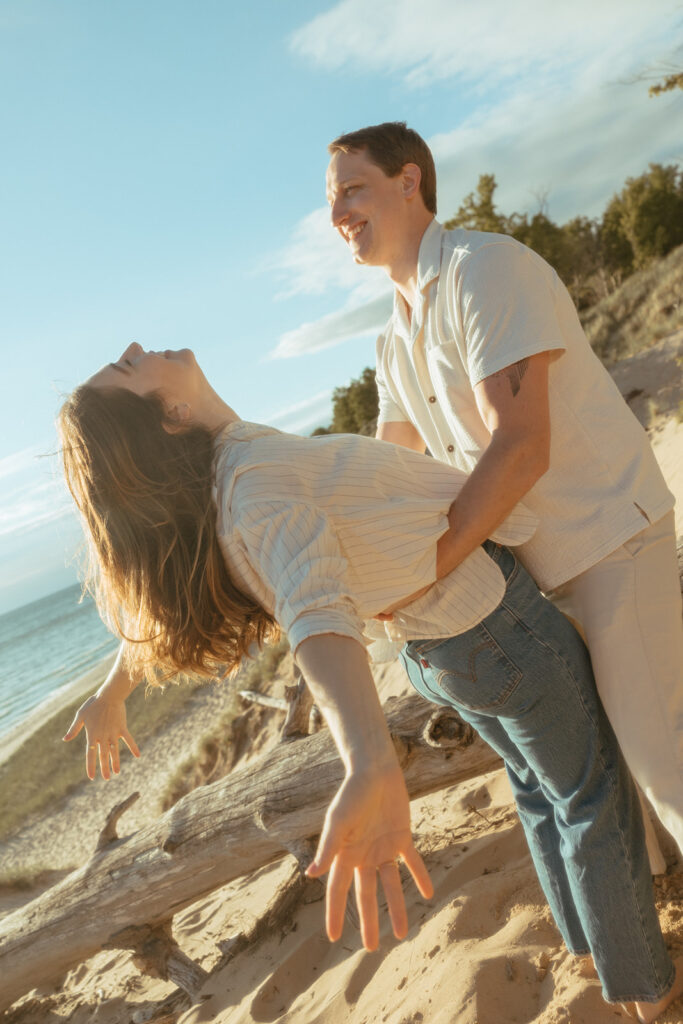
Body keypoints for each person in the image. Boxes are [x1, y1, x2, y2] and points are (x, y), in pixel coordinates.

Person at [60, 343, 682, 1020]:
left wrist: (113, 690)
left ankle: (590, 946)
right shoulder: (254, 484)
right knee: (590, 791)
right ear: (172, 415)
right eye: (126, 369)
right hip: (493, 631)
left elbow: (187, 602)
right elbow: (314, 612)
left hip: (443, 649)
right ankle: (645, 988)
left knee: (539, 788)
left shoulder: (229, 482)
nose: (129, 349)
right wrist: (365, 758)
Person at [325, 121, 683, 873]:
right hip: (530, 576)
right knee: (608, 777)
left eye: (351, 189)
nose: (337, 215)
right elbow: (391, 466)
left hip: (605, 539)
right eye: (332, 201)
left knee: (661, 762)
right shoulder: (392, 338)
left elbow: (520, 446)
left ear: (408, 180)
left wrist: (425, 567)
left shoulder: (482, 271)